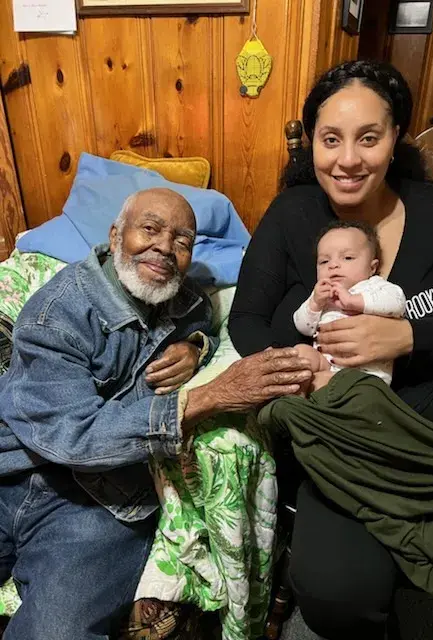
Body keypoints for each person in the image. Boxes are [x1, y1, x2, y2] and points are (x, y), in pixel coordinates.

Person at [228, 60, 433, 640]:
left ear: (396, 139)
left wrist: (413, 338)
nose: (347, 160)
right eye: (330, 139)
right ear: (312, 142)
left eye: (368, 138)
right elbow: (246, 320)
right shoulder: (292, 215)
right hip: (346, 444)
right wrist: (303, 369)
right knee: (333, 594)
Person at [0, 187, 312, 640]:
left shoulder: (185, 301)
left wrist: (197, 347)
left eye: (182, 241)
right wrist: (206, 397)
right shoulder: (57, 312)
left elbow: (205, 322)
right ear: (115, 235)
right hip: (15, 475)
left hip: (100, 506)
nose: (165, 247)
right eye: (150, 229)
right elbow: (73, 437)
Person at [293, 219, 406, 391]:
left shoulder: (374, 286)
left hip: (364, 373)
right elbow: (303, 327)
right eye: (324, 261)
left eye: (347, 258)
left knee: (329, 384)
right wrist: (315, 304)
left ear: (372, 267)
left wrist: (355, 301)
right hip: (326, 364)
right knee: (300, 353)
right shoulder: (322, 294)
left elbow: (397, 303)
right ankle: (295, 399)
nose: (333, 265)